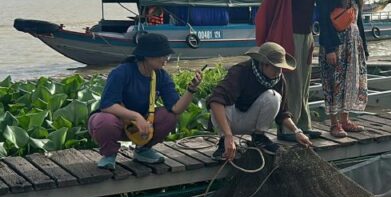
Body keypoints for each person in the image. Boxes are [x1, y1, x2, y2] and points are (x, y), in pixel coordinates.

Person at [88, 33, 202, 170]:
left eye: (167, 56)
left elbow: (176, 108)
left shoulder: (161, 75)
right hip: (115, 122)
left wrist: (191, 89)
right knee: (104, 122)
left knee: (169, 117)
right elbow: (107, 105)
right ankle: (109, 155)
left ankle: (143, 150)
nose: (166, 60)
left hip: (141, 128)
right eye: (162, 56)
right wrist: (136, 117)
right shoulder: (121, 72)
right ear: (147, 56)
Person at [255, 0, 326, 141]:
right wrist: (267, 42)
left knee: (304, 82)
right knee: (290, 82)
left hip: (305, 35)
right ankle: (287, 128)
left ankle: (303, 124)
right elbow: (269, 9)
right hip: (288, 34)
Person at [207, 42, 313, 161]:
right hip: (230, 121)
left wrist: (297, 131)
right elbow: (215, 101)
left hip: (250, 122)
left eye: (281, 68)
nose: (279, 72)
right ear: (263, 64)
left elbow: (282, 113)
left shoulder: (279, 80)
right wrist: (228, 136)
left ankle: (259, 137)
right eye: (275, 68)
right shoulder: (241, 71)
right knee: (222, 102)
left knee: (274, 96)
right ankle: (223, 144)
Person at [316, 0, 370, 137]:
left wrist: (365, 46)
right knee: (334, 82)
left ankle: (345, 120)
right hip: (336, 43)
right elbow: (324, 21)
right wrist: (329, 48)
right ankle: (334, 123)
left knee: (350, 80)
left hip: (353, 44)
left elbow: (359, 20)